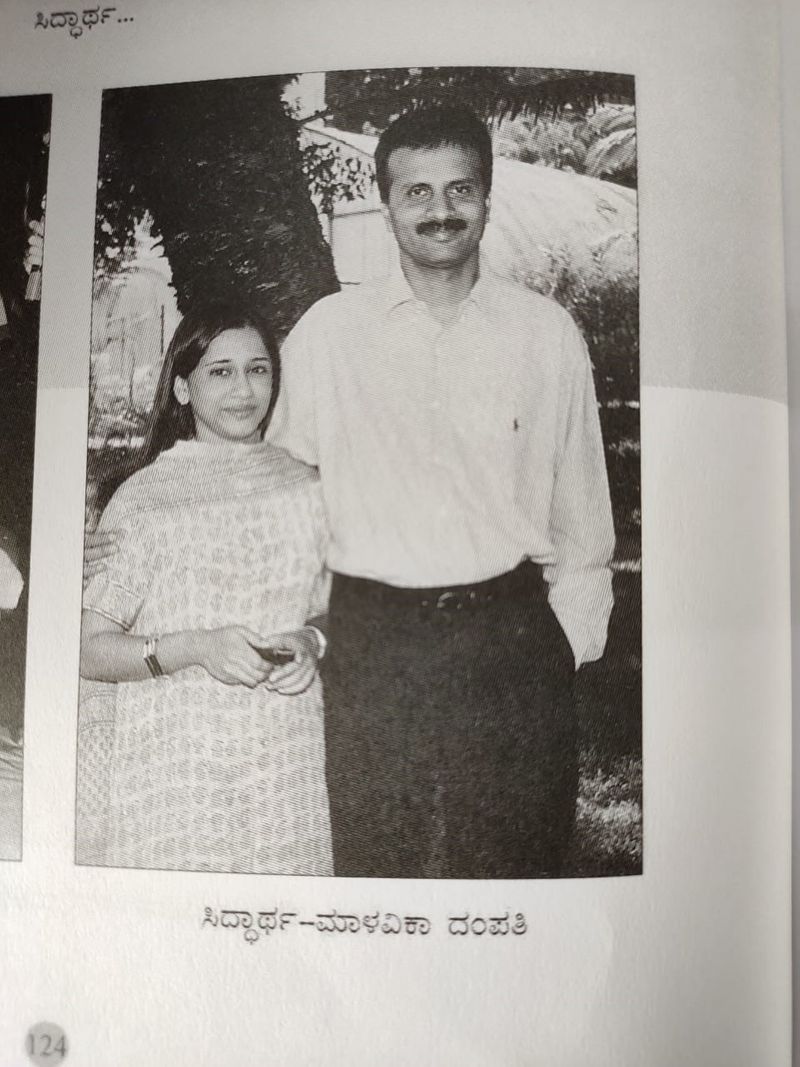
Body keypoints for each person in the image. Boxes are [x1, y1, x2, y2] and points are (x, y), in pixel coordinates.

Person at [267, 104, 616, 879]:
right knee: (374, 867)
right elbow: (276, 498)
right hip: (369, 642)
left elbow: (584, 512)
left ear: (487, 199)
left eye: (461, 189)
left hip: (511, 639)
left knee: (514, 871)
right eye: (417, 192)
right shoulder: (328, 335)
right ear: (385, 203)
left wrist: (561, 644)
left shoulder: (545, 333)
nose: (441, 211)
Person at [78, 303, 332, 874]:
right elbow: (88, 649)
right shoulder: (148, 498)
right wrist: (196, 646)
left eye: (258, 369)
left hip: (284, 766)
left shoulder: (306, 486)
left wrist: (311, 643)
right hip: (176, 768)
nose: (244, 390)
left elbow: (332, 611)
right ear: (184, 388)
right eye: (221, 371)